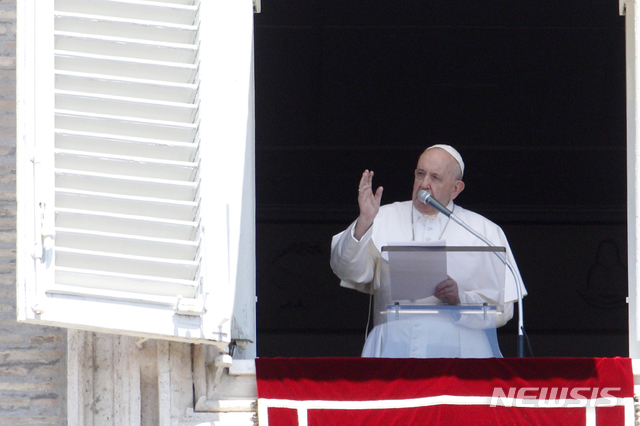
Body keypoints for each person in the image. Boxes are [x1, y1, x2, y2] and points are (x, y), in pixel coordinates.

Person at [330, 145, 527, 358]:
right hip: (393, 348)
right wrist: (364, 221)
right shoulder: (381, 217)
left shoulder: (483, 230)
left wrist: (460, 299)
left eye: (435, 178)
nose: (424, 184)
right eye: (420, 174)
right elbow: (346, 270)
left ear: (455, 189)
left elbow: (504, 311)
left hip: (463, 353)